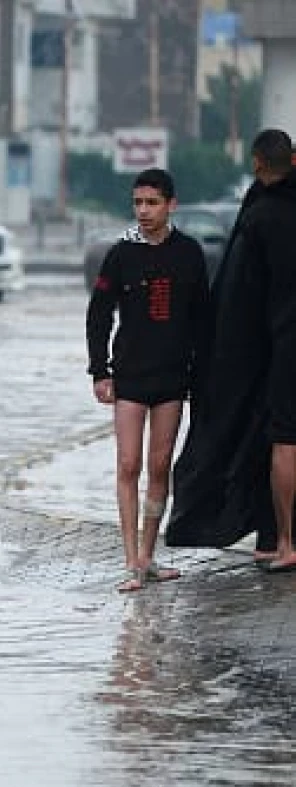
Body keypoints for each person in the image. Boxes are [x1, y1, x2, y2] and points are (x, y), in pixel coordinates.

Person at [167, 128, 296, 569]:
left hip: (277, 346)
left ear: (257, 165)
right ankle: (271, 537)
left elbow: (238, 298)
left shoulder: (260, 217)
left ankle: (285, 542)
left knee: (284, 439)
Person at [86, 168, 213, 593]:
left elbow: (202, 319)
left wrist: (203, 372)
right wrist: (99, 371)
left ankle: (148, 556)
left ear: (170, 205)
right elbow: (99, 313)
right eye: (138, 202)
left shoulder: (190, 253)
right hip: (130, 376)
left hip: (174, 378)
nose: (143, 211)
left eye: (152, 203)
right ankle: (130, 563)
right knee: (128, 464)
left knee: (160, 466)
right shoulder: (121, 254)